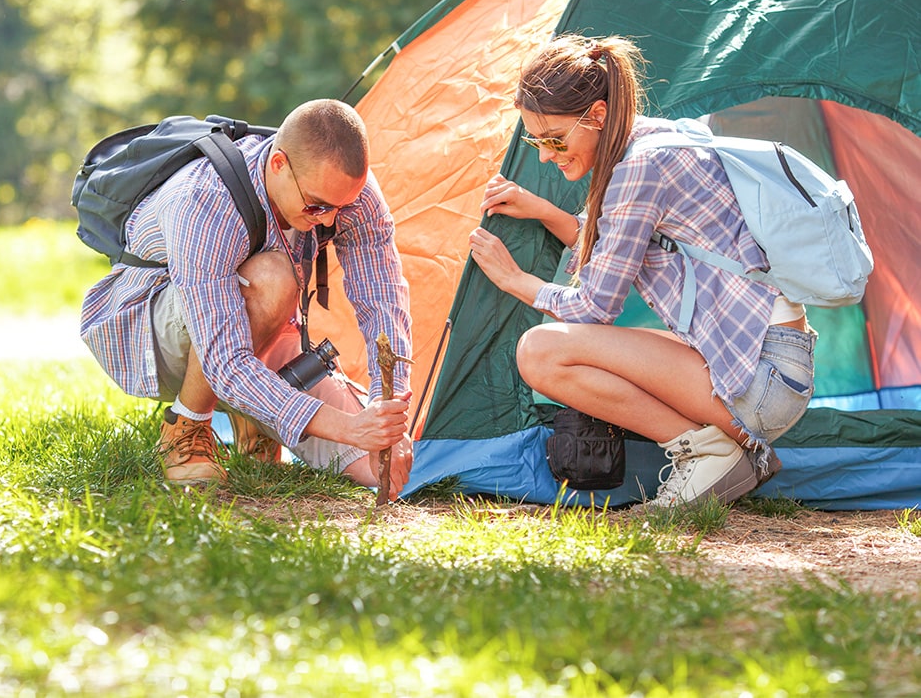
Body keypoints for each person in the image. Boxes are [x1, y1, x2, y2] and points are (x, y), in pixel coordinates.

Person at [468, 34, 817, 508]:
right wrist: (546, 213)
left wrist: (516, 281)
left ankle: (708, 454)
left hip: (764, 380)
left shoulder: (640, 169)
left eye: (553, 138)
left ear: (596, 115)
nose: (546, 154)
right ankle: (731, 448)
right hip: (774, 363)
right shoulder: (656, 139)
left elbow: (595, 306)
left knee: (541, 352)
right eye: (536, 139)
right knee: (591, 347)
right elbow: (621, 244)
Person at [81, 99, 413, 498]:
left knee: (380, 470)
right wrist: (349, 427)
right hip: (153, 333)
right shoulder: (204, 200)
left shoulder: (346, 193)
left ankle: (253, 416)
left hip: (257, 334)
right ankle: (185, 428)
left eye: (339, 208)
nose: (328, 220)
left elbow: (383, 301)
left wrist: (387, 408)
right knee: (273, 278)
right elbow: (225, 360)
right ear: (278, 165)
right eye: (317, 206)